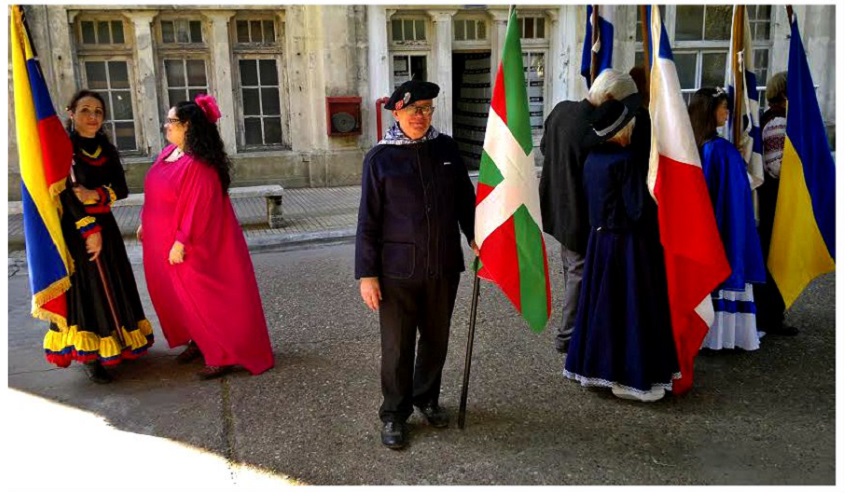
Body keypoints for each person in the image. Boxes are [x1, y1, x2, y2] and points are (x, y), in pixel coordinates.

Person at [355, 80, 476, 449]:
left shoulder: (447, 148)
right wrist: (367, 274)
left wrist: (477, 238)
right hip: (396, 273)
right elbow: (368, 220)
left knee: (436, 340)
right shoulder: (380, 158)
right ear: (397, 113)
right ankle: (394, 413)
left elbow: (465, 202)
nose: (421, 117)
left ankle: (426, 397)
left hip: (443, 265)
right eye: (413, 110)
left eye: (426, 109)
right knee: (397, 346)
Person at [140, 94, 274, 380]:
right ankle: (198, 341)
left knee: (205, 299)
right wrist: (145, 223)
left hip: (192, 247)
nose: (166, 126)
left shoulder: (200, 164)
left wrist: (181, 241)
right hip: (162, 241)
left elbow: (199, 208)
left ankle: (222, 354)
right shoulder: (169, 154)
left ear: (188, 125)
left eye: (172, 121)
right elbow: (155, 191)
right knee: (180, 299)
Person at [563, 82, 679, 402]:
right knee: (628, 308)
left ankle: (596, 369)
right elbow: (637, 209)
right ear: (622, 130)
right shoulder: (625, 160)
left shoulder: (592, 159)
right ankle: (627, 377)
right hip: (626, 243)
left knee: (601, 307)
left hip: (599, 241)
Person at [43, 90, 154, 384]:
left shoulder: (107, 149)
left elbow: (121, 187)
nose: (92, 117)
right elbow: (64, 194)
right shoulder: (63, 150)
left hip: (107, 225)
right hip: (76, 229)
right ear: (71, 113)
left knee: (115, 281)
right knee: (90, 286)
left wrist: (97, 194)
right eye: (85, 110)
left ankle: (119, 342)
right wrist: (87, 229)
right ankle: (92, 355)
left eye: (98, 112)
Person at [539, 69, 646, 354]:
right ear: (610, 98)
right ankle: (569, 335)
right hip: (581, 213)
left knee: (571, 270)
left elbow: (544, 147)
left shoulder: (561, 111)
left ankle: (576, 327)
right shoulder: (597, 129)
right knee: (579, 273)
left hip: (556, 207)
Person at [688, 87, 766, 351]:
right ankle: (725, 335)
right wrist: (742, 162)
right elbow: (740, 190)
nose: (727, 112)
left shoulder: (690, 145)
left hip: (703, 228)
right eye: (723, 107)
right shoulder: (722, 151)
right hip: (725, 226)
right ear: (711, 111)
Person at [754, 72, 799, 337]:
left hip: (774, 201)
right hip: (775, 202)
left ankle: (772, 312)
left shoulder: (774, 118)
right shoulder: (778, 121)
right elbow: (776, 166)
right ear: (784, 93)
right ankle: (771, 315)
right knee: (775, 256)